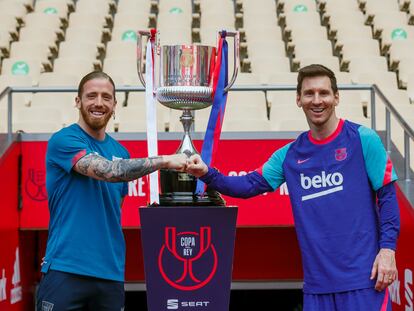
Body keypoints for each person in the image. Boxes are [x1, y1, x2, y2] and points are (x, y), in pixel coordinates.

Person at [187, 64, 400, 310]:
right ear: (298, 99)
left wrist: (388, 251)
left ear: (336, 97)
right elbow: (248, 185)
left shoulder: (364, 139)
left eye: (324, 93)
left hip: (365, 281)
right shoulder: (289, 155)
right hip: (317, 287)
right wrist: (206, 173)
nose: (317, 100)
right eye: (309, 93)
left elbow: (388, 199)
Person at [36, 71, 188, 310]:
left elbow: (113, 210)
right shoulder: (64, 140)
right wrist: (165, 161)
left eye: (106, 97)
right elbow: (109, 171)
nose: (99, 102)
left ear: (115, 105)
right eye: (91, 96)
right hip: (66, 269)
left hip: (110, 273)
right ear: (78, 101)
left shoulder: (121, 151)